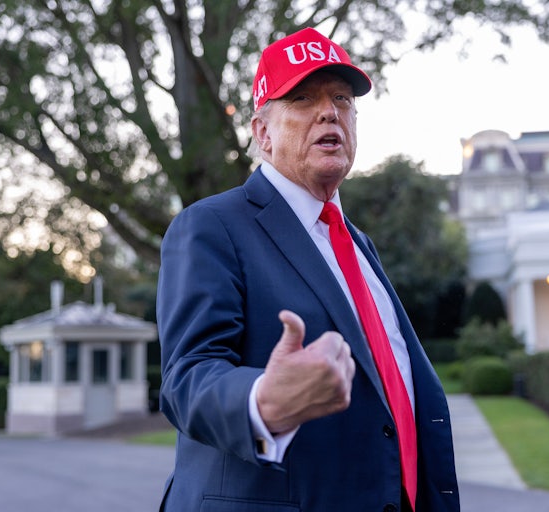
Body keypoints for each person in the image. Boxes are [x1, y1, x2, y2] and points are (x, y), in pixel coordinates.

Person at [156, 27, 460, 512]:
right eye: (302, 98)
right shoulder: (211, 226)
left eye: (342, 98)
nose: (329, 111)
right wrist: (262, 401)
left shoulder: (359, 245)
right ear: (262, 133)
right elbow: (186, 377)